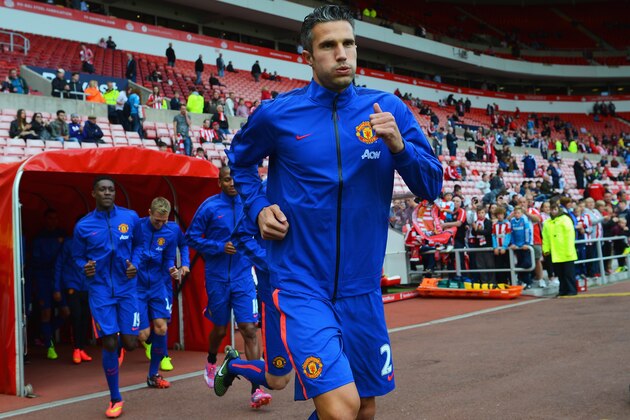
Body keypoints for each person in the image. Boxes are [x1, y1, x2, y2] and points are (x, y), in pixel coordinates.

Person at [224, 5, 442, 419]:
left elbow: (431, 184)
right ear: (307, 56)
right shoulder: (277, 115)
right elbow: (240, 163)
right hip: (301, 283)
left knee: (363, 411)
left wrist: (400, 148)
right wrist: (257, 208)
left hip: (363, 289)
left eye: (348, 43)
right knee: (342, 408)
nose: (342, 54)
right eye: (328, 45)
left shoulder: (388, 110)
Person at [185, 167, 264, 406]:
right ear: (219, 182)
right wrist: (219, 246)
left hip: (243, 277)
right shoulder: (209, 207)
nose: (232, 183)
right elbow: (191, 237)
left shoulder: (250, 204)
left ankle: (256, 389)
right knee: (219, 330)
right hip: (217, 278)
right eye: (227, 179)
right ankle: (211, 361)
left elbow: (260, 234)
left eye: (235, 179)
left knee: (250, 329)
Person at [71, 176, 141, 418]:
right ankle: (115, 398)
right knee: (109, 341)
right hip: (100, 291)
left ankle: (121, 344)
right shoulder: (83, 226)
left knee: (131, 344)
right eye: (102, 190)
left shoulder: (130, 218)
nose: (107, 193)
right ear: (93, 194)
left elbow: (141, 245)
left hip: (127, 289)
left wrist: (137, 264)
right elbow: (77, 257)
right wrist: (85, 267)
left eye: (111, 189)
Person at [133, 197, 180, 389]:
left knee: (162, 327)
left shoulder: (171, 231)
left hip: (158, 285)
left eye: (164, 221)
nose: (160, 225)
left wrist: (173, 269)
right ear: (149, 213)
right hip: (137, 285)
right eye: (157, 220)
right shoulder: (137, 227)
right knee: (143, 335)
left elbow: (169, 257)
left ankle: (153, 375)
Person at [32, 209, 68, 360]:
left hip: (60, 279)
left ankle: (44, 333)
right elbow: (35, 261)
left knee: (66, 312)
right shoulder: (39, 238)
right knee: (45, 313)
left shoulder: (63, 235)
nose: (53, 221)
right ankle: (49, 345)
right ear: (45, 220)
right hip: (43, 279)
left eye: (55, 218)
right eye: (50, 218)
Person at [54, 221, 92, 364]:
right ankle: (76, 348)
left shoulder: (92, 243)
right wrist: (57, 288)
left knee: (85, 317)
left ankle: (82, 348)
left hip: (88, 286)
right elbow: (59, 265)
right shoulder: (69, 243)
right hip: (72, 285)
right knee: (76, 315)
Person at [542, 202, 578, 296]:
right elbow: (545, 237)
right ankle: (562, 290)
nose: (553, 211)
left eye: (555, 209)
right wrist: (546, 249)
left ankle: (571, 290)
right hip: (555, 252)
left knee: (568, 273)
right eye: (551, 209)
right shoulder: (547, 223)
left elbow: (570, 235)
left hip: (566, 251)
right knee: (560, 273)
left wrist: (569, 249)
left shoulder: (565, 219)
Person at [509, 206, 533, 289]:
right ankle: (522, 280)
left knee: (526, 263)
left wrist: (527, 243)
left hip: (524, 246)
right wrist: (513, 243)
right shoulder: (512, 221)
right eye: (515, 213)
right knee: (519, 263)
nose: (517, 214)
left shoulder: (524, 220)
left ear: (522, 213)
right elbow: (511, 233)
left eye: (518, 213)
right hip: (517, 247)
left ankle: (527, 281)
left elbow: (527, 232)